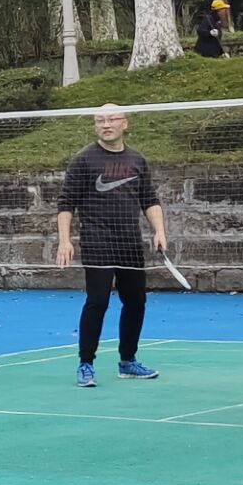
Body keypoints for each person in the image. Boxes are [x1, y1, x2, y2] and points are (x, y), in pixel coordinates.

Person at [55, 105, 167, 387]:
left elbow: (150, 200)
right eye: (100, 120)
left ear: (124, 123)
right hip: (98, 243)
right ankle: (86, 364)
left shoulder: (137, 159)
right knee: (97, 302)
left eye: (112, 119)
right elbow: (66, 203)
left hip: (130, 244)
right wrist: (65, 240)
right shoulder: (84, 160)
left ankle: (128, 362)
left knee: (136, 302)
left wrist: (159, 231)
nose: (106, 125)